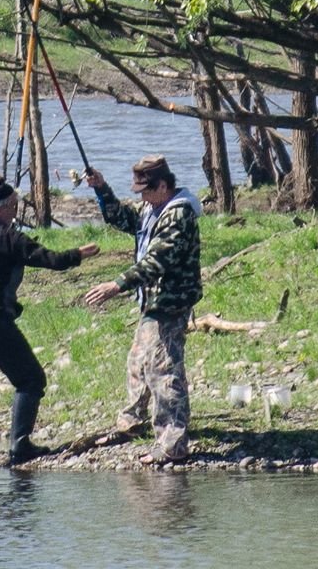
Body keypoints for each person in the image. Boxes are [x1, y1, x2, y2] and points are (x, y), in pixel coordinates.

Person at [0, 176, 100, 470]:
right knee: (30, 379)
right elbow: (49, 259)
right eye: (15, 206)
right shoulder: (8, 237)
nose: (17, 212)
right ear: (3, 208)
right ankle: (20, 448)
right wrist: (78, 254)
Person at [84, 155, 203, 464]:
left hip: (170, 301)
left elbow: (158, 260)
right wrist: (102, 189)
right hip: (153, 301)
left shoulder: (179, 215)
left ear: (163, 185)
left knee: (164, 370)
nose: (141, 197)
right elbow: (121, 218)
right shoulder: (153, 207)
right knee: (138, 362)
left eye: (145, 190)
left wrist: (117, 284)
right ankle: (132, 421)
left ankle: (172, 442)